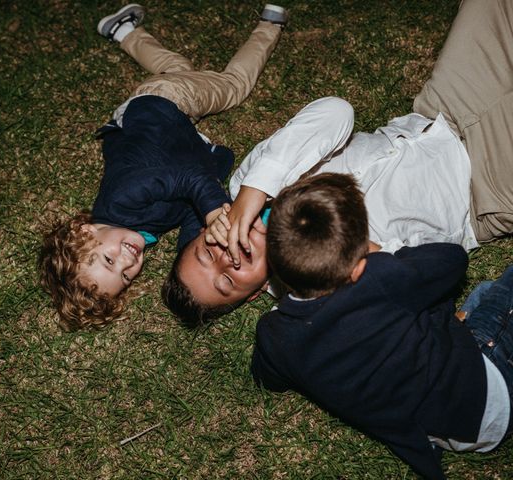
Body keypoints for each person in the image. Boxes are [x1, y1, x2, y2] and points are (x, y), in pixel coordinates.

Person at [162, 0, 513, 327]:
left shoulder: (250, 179)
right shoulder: (314, 293)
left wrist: (255, 190)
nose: (226, 259)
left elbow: (336, 112)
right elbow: (426, 266)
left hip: (443, 110)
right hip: (483, 191)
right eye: (226, 281)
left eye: (207, 252)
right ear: (254, 293)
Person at [38, 3, 288, 330]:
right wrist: (196, 247)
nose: (128, 261)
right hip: (158, 113)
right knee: (179, 67)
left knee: (231, 88)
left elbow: (186, 179)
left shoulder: (122, 199)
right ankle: (123, 30)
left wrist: (213, 210)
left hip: (161, 107)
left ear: (85, 233)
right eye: (125, 276)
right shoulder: (137, 231)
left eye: (110, 260)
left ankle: (271, 23)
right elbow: (185, 211)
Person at [251, 172, 513, 480]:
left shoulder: (273, 335)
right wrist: (381, 254)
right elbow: (453, 260)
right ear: (359, 265)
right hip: (488, 392)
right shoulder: (379, 278)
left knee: (483, 293)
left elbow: (265, 377)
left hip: (439, 430)